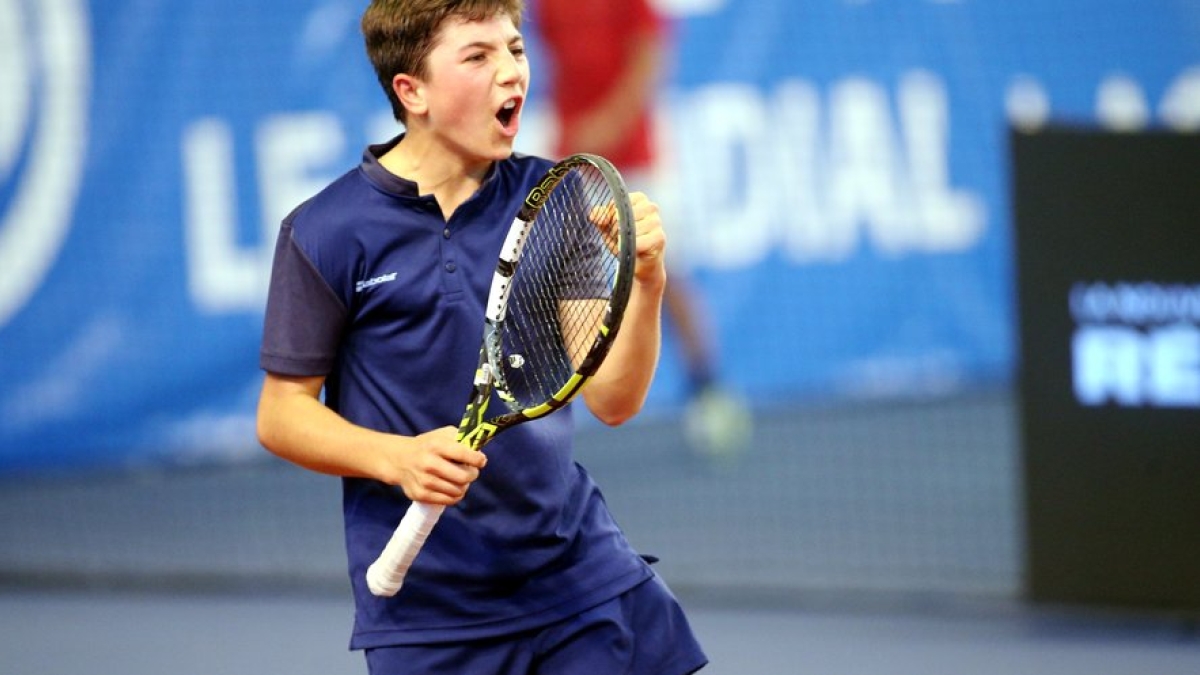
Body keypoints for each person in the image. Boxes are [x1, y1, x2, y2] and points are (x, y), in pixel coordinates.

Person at [255, 1, 707, 674]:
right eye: (478, 56)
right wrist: (398, 458)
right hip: (427, 619)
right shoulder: (325, 232)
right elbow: (281, 413)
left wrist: (646, 282)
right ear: (412, 92)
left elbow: (614, 398)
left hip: (577, 582)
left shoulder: (555, 199)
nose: (511, 72)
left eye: (516, 49)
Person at [531, 0, 751, 460]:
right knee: (555, 279)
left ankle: (709, 392)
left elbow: (650, 56)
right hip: (575, 161)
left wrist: (611, 124)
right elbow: (553, 66)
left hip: (637, 161)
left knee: (666, 276)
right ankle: (547, 412)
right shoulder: (544, 5)